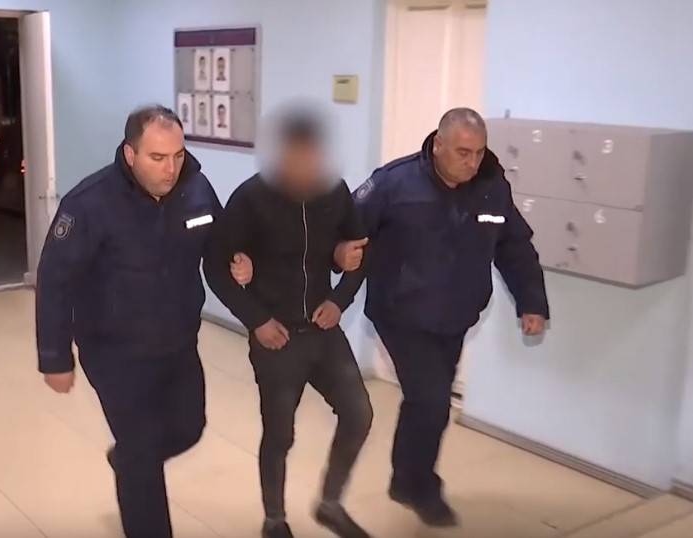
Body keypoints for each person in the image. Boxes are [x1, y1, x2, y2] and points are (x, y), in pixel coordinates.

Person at [35, 104, 252, 538]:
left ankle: (130, 459)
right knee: (143, 456)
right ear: (130, 153)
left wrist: (239, 262)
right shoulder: (89, 203)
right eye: (157, 157)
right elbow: (55, 281)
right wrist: (54, 357)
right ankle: (136, 468)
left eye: (178, 155)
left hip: (177, 342)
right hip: (114, 351)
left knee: (189, 428)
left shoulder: (196, 188)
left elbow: (218, 243)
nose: (170, 169)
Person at [334, 107, 550, 527]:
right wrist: (338, 256)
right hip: (400, 313)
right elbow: (347, 227)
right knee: (431, 400)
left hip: (455, 315)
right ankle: (420, 486)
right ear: (438, 145)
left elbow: (514, 246)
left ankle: (405, 480)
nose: (471, 163)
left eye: (479, 153)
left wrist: (532, 302)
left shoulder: (492, 187)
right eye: (462, 153)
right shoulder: (394, 183)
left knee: (426, 401)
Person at [205, 104, 374, 538]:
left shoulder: (335, 193)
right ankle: (274, 519)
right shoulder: (250, 198)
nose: (306, 168)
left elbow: (359, 252)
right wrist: (256, 320)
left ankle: (330, 503)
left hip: (323, 330)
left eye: (313, 158)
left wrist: (339, 299)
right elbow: (216, 266)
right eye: (297, 158)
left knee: (359, 414)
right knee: (280, 434)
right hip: (275, 337)